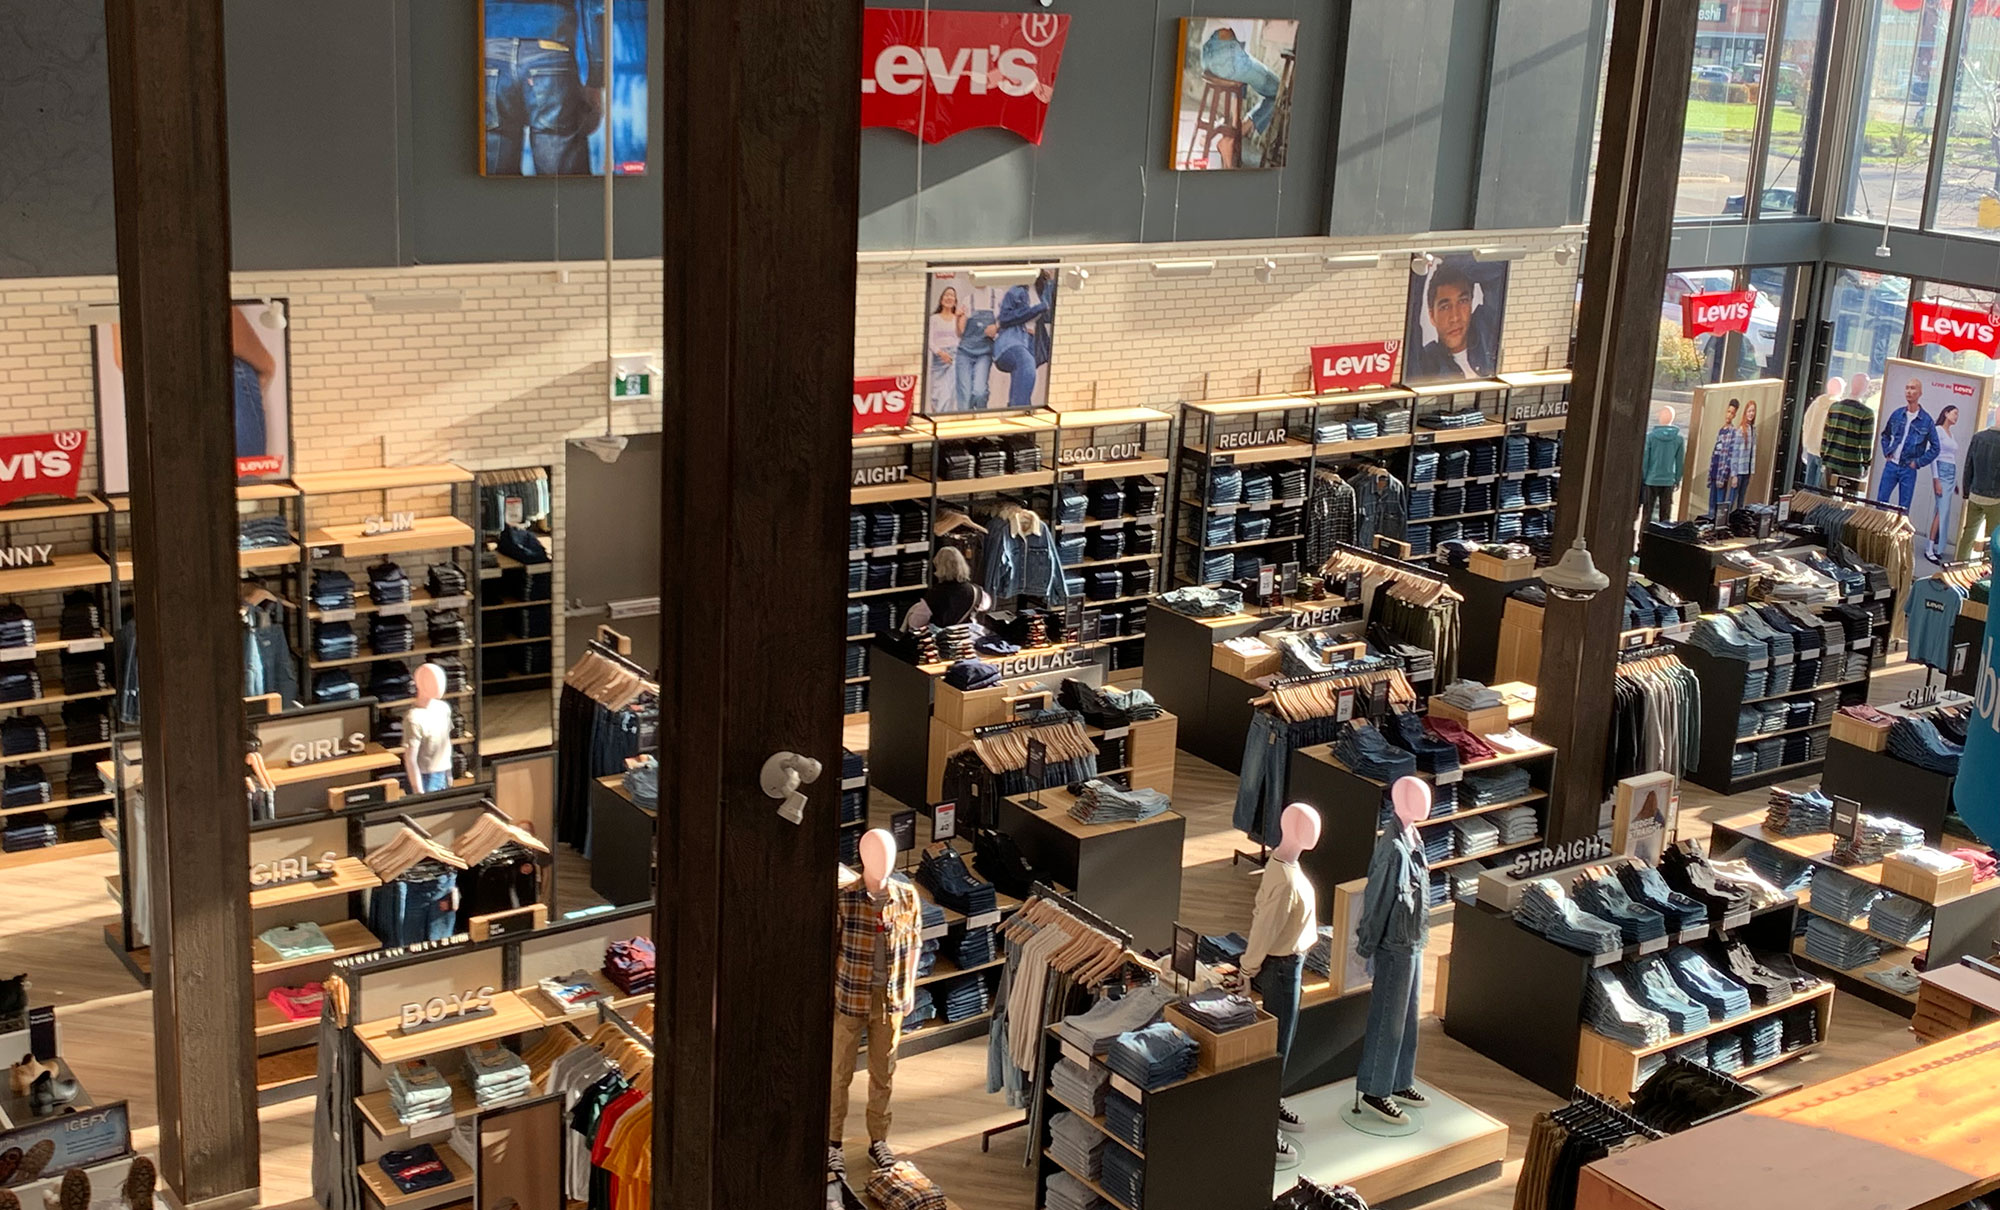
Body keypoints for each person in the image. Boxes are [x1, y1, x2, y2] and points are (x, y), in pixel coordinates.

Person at [482, 0, 607, 176]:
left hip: (490, 50)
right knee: (564, 191)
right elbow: (595, 8)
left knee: (493, 187)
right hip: (550, 47)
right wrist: (596, 78)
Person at [1407, 261, 1503, 382]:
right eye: (1445, 307)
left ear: (1471, 303)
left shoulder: (1486, 334)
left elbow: (1498, 273)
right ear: (1432, 316)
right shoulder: (1427, 364)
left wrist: (1451, 257)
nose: (1455, 317)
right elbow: (1409, 317)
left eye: (1463, 301)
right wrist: (1421, 264)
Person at [1200, 25, 1282, 143]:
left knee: (1243, 72)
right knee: (1279, 90)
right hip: (1228, 57)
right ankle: (1236, 136)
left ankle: (1234, 129)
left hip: (1207, 55)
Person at [1877, 376, 1940, 510]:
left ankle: (1898, 530)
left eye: (1913, 388)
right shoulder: (1897, 414)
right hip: (1892, 465)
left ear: (1920, 393)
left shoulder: (1926, 420)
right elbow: (1885, 435)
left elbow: (1936, 447)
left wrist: (1917, 462)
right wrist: (1887, 451)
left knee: (1903, 507)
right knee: (1881, 502)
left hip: (1908, 468)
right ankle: (1878, 530)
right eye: (1907, 388)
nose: (1909, 391)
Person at [991, 284, 1051, 412]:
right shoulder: (1016, 291)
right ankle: (1018, 416)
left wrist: (1050, 285)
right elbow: (1005, 317)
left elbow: (1050, 316)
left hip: (1032, 343)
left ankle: (1017, 418)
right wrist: (1037, 309)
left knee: (1025, 383)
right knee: (1026, 365)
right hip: (1013, 340)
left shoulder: (1044, 291)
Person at [901, 549, 990, 631]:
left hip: (942, 642)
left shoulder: (934, 594)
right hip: (967, 638)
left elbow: (915, 623)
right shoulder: (975, 590)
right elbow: (986, 604)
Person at [952, 281, 1001, 411]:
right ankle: (965, 426)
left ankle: (981, 421)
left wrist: (996, 327)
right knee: (965, 396)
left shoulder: (998, 297)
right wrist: (958, 318)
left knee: (979, 392)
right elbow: (960, 333)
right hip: (965, 353)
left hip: (984, 353)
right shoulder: (968, 300)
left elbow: (1005, 320)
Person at [1956, 418, 2000, 562]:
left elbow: (1968, 466)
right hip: (1995, 498)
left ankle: (1958, 567)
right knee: (1992, 539)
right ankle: (1986, 572)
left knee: (1968, 534)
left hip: (1975, 494)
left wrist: (1966, 491)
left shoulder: (1978, 437)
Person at [1928, 404, 1961, 564]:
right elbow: (1934, 455)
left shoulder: (1950, 434)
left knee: (1941, 510)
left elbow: (1952, 457)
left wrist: (1954, 482)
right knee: (1942, 510)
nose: (1956, 417)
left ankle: (1935, 545)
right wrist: (1936, 479)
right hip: (1941, 471)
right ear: (1946, 413)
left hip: (1950, 472)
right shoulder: (1938, 430)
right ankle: (1929, 548)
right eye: (1954, 413)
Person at [926, 287, 961, 413]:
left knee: (948, 393)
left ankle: (944, 418)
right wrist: (940, 353)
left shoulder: (957, 319)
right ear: (941, 300)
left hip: (953, 358)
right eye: (946, 295)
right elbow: (929, 340)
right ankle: (937, 416)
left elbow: (960, 338)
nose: (949, 298)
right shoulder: (934, 319)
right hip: (939, 359)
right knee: (936, 394)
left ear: (955, 301)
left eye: (952, 295)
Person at [1707, 399, 1741, 516]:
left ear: (1735, 415)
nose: (1729, 415)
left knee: (1719, 503)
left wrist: (1725, 474)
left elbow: (1730, 455)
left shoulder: (1733, 432)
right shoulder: (1721, 429)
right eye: (1728, 412)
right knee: (1711, 503)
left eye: (1732, 413)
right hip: (1714, 470)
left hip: (1721, 473)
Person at [1730, 399, 1758, 511]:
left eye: (1753, 411)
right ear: (1745, 413)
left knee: (1741, 500)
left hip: (1747, 471)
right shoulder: (1741, 430)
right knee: (1732, 498)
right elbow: (1735, 453)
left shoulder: (1753, 430)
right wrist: (1734, 475)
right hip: (1739, 471)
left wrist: (1752, 470)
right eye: (1749, 411)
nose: (1751, 413)